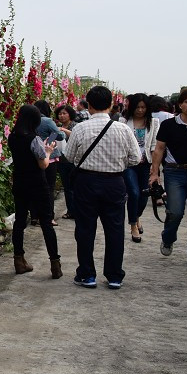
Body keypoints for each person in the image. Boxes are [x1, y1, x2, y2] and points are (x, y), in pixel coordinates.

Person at [63, 85, 141, 289]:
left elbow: (69, 157)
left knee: (85, 229)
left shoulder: (80, 128)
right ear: (111, 104)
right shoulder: (123, 129)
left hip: (86, 182)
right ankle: (114, 276)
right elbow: (136, 159)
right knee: (115, 230)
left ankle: (87, 274)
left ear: (88, 105)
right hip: (114, 182)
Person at [150, 86, 187, 268]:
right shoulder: (169, 125)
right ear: (180, 104)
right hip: (175, 173)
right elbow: (159, 149)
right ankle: (168, 238)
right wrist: (154, 174)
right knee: (175, 212)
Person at [7, 104, 63, 278]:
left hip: (20, 182)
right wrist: (48, 152)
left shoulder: (12, 136)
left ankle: (19, 260)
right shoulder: (34, 139)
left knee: (20, 222)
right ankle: (55, 265)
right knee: (46, 222)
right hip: (38, 184)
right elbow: (43, 164)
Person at [118, 93, 160, 243]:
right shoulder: (123, 121)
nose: (140, 110)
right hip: (129, 164)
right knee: (134, 193)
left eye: (143, 107)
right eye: (137, 107)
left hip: (146, 163)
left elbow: (155, 147)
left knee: (144, 195)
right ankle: (133, 225)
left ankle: (137, 216)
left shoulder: (153, 123)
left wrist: (155, 169)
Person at [30, 99, 64, 226]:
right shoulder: (47, 121)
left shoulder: (31, 121)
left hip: (34, 158)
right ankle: (49, 217)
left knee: (35, 188)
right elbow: (60, 135)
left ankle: (34, 216)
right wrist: (50, 140)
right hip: (49, 157)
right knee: (48, 188)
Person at [54, 104, 77, 219]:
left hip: (74, 161)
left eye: (64, 113)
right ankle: (70, 211)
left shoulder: (75, 126)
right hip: (62, 161)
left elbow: (75, 136)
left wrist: (63, 130)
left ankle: (77, 210)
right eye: (60, 113)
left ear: (70, 114)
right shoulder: (57, 126)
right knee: (67, 187)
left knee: (75, 187)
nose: (62, 116)